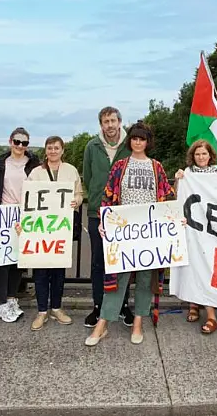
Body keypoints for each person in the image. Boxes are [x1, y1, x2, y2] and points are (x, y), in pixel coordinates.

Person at [85, 121, 174, 346]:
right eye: (134, 138)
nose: (137, 142)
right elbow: (107, 196)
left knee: (145, 279)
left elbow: (168, 196)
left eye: (141, 139)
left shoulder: (157, 167)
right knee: (117, 278)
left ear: (147, 142)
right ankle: (102, 323)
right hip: (124, 231)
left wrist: (175, 217)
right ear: (130, 140)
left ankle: (137, 323)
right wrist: (104, 221)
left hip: (149, 232)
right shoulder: (120, 166)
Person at [26, 136, 83, 331]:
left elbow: (79, 193)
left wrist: (76, 201)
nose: (53, 151)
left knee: (59, 270)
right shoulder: (36, 172)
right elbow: (29, 196)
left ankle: (57, 308)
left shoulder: (71, 170)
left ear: (62, 150)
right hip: (41, 228)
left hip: (62, 226)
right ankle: (42, 310)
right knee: (41, 271)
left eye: (56, 148)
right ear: (45, 150)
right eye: (49, 148)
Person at [82, 106, 132, 328]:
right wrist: (96, 197)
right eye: (105, 121)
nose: (109, 125)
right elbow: (89, 176)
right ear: (101, 124)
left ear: (119, 122)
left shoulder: (132, 144)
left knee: (123, 261)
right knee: (98, 262)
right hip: (97, 212)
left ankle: (122, 306)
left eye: (113, 120)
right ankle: (98, 306)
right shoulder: (92, 146)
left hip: (124, 213)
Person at [0, 127, 40, 323]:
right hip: (4, 213)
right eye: (17, 142)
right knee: (2, 260)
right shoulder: (0, 164)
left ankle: (11, 297)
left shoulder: (34, 164)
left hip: (25, 215)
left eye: (24, 143)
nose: (20, 146)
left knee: (19, 259)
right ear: (11, 141)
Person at [174, 139, 217, 334]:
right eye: (197, 154)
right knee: (193, 265)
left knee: (207, 267)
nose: (201, 157)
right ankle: (194, 302)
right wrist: (178, 179)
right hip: (192, 226)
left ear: (210, 155)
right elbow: (178, 196)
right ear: (192, 157)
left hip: (212, 228)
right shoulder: (188, 174)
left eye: (204, 154)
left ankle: (211, 315)